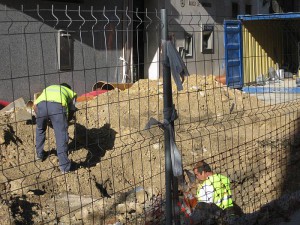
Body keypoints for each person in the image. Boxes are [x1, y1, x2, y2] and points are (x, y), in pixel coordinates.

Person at [34, 83, 77, 173]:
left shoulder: (49, 88)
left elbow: (35, 106)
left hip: (40, 106)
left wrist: (45, 118)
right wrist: (65, 122)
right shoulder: (71, 93)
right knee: (61, 136)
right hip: (57, 107)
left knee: (40, 129)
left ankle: (39, 155)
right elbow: (72, 110)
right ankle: (64, 168)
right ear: (68, 88)